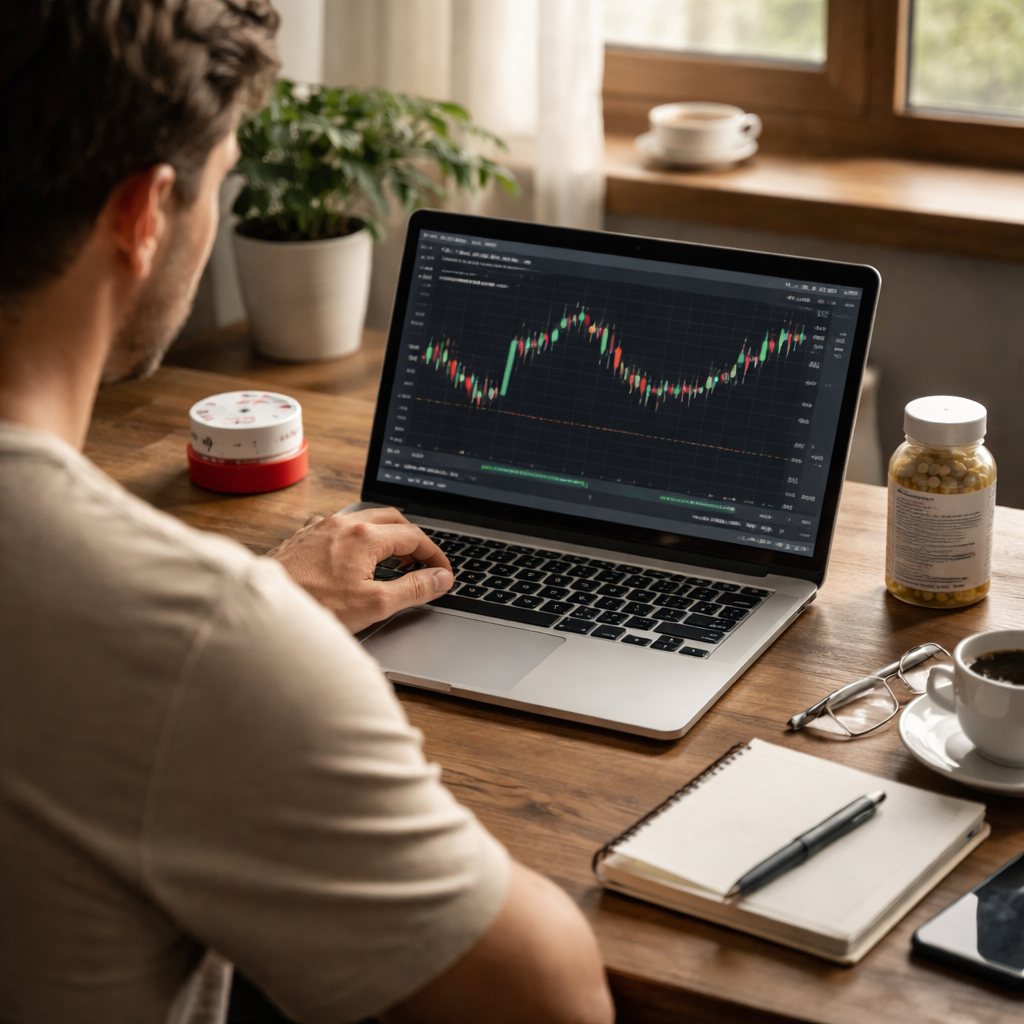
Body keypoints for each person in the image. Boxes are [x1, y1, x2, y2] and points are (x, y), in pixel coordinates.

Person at [0, 3, 614, 1024]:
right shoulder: (200, 646)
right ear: (145, 214)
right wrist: (263, 649)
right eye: (224, 176)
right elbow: (553, 997)